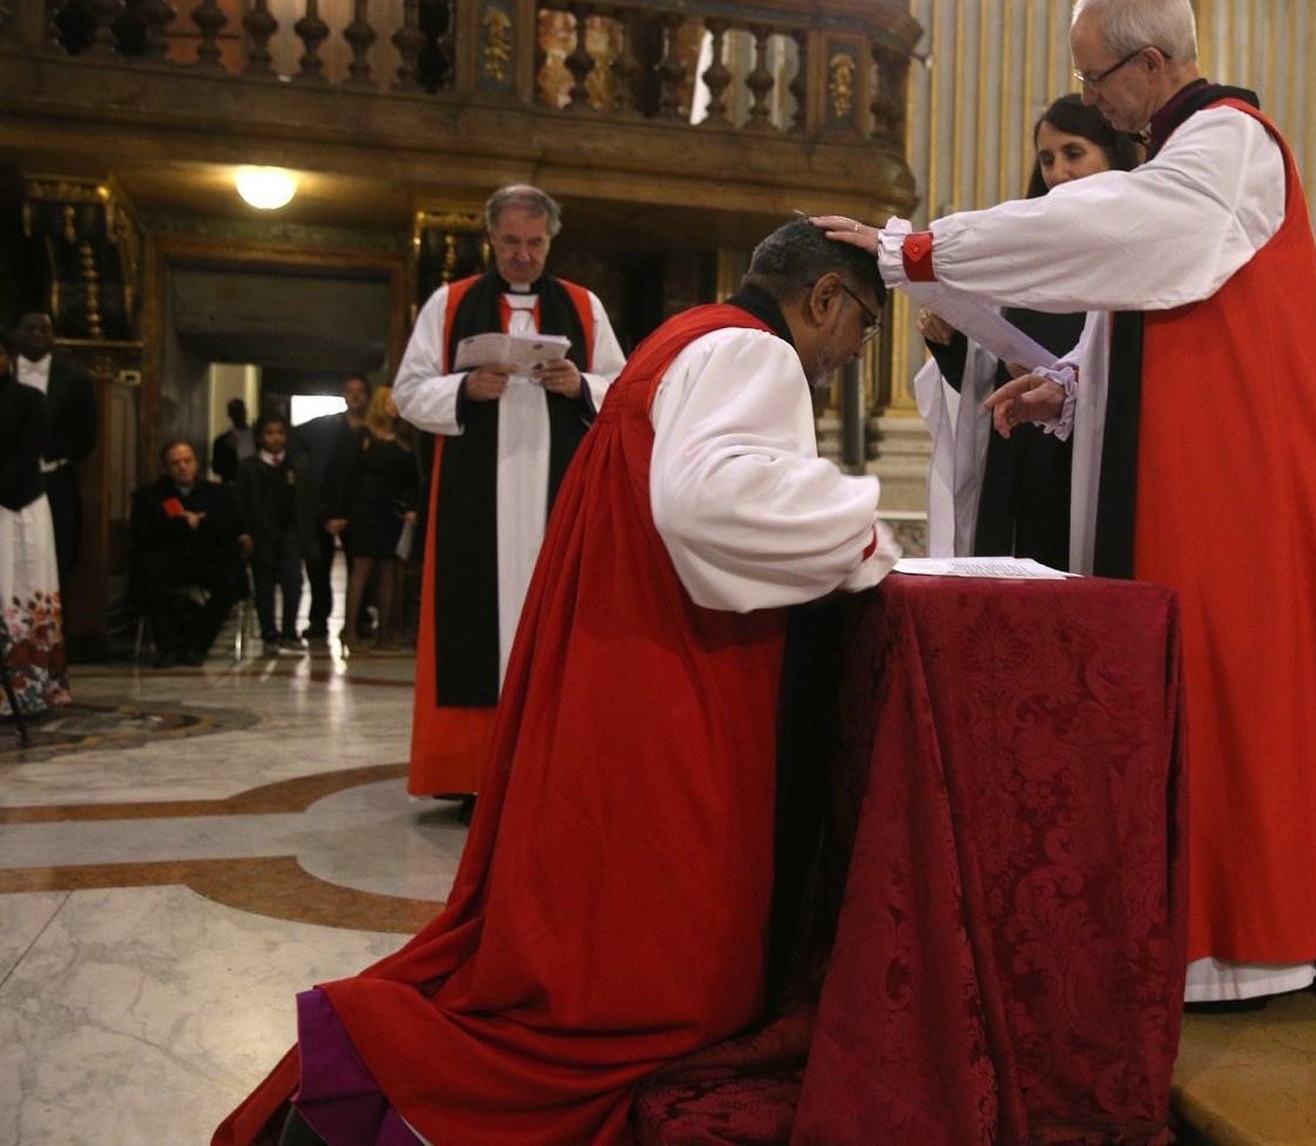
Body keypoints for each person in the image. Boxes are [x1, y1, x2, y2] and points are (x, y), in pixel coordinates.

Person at [818, 0, 1316, 1002]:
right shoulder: (1181, 157)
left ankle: (1241, 936)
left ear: (1151, 61)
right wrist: (1063, 395)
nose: (1093, 98)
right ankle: (1177, 914)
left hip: (1228, 491)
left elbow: (1116, 233)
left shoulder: (1229, 141)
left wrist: (920, 249)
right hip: (1192, 468)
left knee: (1216, 681)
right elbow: (1149, 336)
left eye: (1098, 76)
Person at [214, 219, 898, 1145]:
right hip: (673, 668)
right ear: (824, 297)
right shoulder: (757, 353)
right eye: (862, 327)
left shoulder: (683, 333)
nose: (854, 356)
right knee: (663, 978)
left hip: (617, 649)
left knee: (589, 923)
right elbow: (709, 501)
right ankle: (399, 1080)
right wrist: (860, 528)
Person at [394, 184, 627, 802]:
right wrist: (463, 390)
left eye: (535, 242)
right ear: (490, 239)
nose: (523, 255)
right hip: (477, 496)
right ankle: (471, 775)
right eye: (511, 242)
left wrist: (580, 383)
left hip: (558, 496)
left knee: (556, 620)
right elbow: (408, 391)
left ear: (551, 239)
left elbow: (625, 389)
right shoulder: (448, 305)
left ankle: (549, 771)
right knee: (476, 622)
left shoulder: (583, 306)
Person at [916, 94, 1138, 568]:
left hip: (1089, 467)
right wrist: (951, 344)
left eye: (1074, 153)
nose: (1057, 172)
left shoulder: (1134, 258)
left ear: (1114, 155)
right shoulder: (1019, 257)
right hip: (1014, 465)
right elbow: (984, 385)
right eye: (1046, 159)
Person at [129, 440, 251, 668]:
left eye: (187, 461)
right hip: (169, 559)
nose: (183, 467)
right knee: (149, 575)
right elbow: (144, 535)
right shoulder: (148, 497)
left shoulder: (218, 493)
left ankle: (197, 644)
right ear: (166, 468)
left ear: (196, 463)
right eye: (175, 463)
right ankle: (169, 647)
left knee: (231, 578)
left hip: (208, 558)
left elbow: (231, 528)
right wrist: (182, 525)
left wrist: (201, 525)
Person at [0, 337, 70, 715]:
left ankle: (31, 689)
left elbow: (31, 452)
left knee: (22, 584)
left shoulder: (28, 398)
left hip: (21, 502)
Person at [322, 388, 420, 654]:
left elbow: (411, 480)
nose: (396, 406)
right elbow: (342, 474)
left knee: (389, 571)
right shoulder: (362, 436)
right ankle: (350, 628)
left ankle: (386, 631)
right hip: (363, 509)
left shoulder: (402, 440)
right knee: (362, 568)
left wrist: (411, 507)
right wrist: (337, 512)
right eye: (391, 402)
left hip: (391, 512)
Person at [9, 310, 98, 585]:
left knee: (56, 552)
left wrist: (58, 462)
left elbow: (86, 433)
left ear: (53, 337)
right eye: (29, 328)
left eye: (44, 330)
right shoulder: (4, 372)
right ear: (15, 334)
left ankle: (51, 624)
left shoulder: (75, 377)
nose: (37, 335)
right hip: (7, 479)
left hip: (55, 481)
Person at [293, 375, 370, 643]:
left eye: (361, 391)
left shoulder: (374, 428)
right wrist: (300, 470)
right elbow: (296, 438)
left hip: (359, 508)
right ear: (343, 395)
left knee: (360, 568)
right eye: (350, 391)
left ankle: (360, 619)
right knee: (318, 566)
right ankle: (318, 620)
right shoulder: (326, 426)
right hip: (324, 505)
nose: (356, 396)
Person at [235, 415, 317, 656]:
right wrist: (244, 532)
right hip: (262, 533)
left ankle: (290, 630)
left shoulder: (297, 464)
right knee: (265, 584)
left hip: (290, 530)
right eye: (270, 433)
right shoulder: (249, 467)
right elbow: (240, 501)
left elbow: (306, 499)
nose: (275, 437)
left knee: (293, 581)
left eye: (280, 432)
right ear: (261, 438)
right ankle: (268, 632)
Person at [211, 397, 255, 483]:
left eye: (240, 411)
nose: (238, 415)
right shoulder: (222, 441)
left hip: (255, 482)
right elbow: (217, 469)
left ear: (245, 411)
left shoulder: (257, 437)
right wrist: (227, 451)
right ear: (229, 414)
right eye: (234, 411)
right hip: (233, 485)